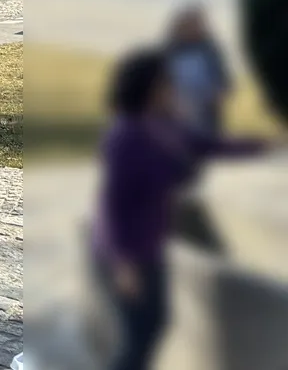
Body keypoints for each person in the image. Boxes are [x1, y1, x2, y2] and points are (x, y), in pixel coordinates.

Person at [91, 47, 266, 370]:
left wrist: (266, 146)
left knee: (154, 327)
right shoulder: (126, 136)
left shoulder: (164, 127)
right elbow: (114, 203)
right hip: (129, 251)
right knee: (141, 336)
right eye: (166, 83)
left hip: (150, 243)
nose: (172, 89)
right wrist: (124, 263)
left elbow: (211, 145)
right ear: (148, 88)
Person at [163, 3, 231, 139]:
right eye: (189, 25)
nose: (193, 29)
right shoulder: (170, 50)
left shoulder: (210, 50)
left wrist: (217, 93)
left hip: (206, 109)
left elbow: (223, 80)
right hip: (177, 108)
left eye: (197, 24)